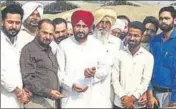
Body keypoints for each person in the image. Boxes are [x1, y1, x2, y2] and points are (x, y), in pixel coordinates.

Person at [56, 10, 110, 108]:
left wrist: (94, 73)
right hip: (70, 98)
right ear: (72, 26)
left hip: (92, 97)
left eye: (84, 26)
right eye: (78, 26)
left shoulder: (97, 45)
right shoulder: (64, 45)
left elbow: (105, 69)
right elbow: (59, 73)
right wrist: (71, 85)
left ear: (89, 28)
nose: (81, 30)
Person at [20, 19, 64, 108]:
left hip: (50, 100)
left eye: (51, 34)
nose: (48, 37)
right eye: (45, 33)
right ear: (37, 31)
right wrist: (48, 92)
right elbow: (28, 79)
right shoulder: (29, 49)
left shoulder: (49, 49)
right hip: (37, 101)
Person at [112, 21, 154, 108]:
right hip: (119, 103)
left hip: (138, 104)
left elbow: (145, 81)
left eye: (136, 36)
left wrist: (132, 98)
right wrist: (123, 97)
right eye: (129, 35)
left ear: (142, 36)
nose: (132, 38)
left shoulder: (148, 57)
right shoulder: (118, 54)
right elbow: (114, 79)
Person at [1, 4, 31, 108]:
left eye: (17, 23)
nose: (14, 26)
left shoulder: (20, 41)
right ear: (2, 22)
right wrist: (18, 91)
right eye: (10, 22)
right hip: (4, 97)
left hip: (19, 99)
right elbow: (2, 74)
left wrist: (26, 88)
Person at [147, 6, 176, 108]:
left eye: (167, 18)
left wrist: (174, 99)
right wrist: (150, 94)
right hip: (153, 96)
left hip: (171, 96)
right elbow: (148, 68)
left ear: (174, 20)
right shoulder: (154, 41)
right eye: (161, 18)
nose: (163, 21)